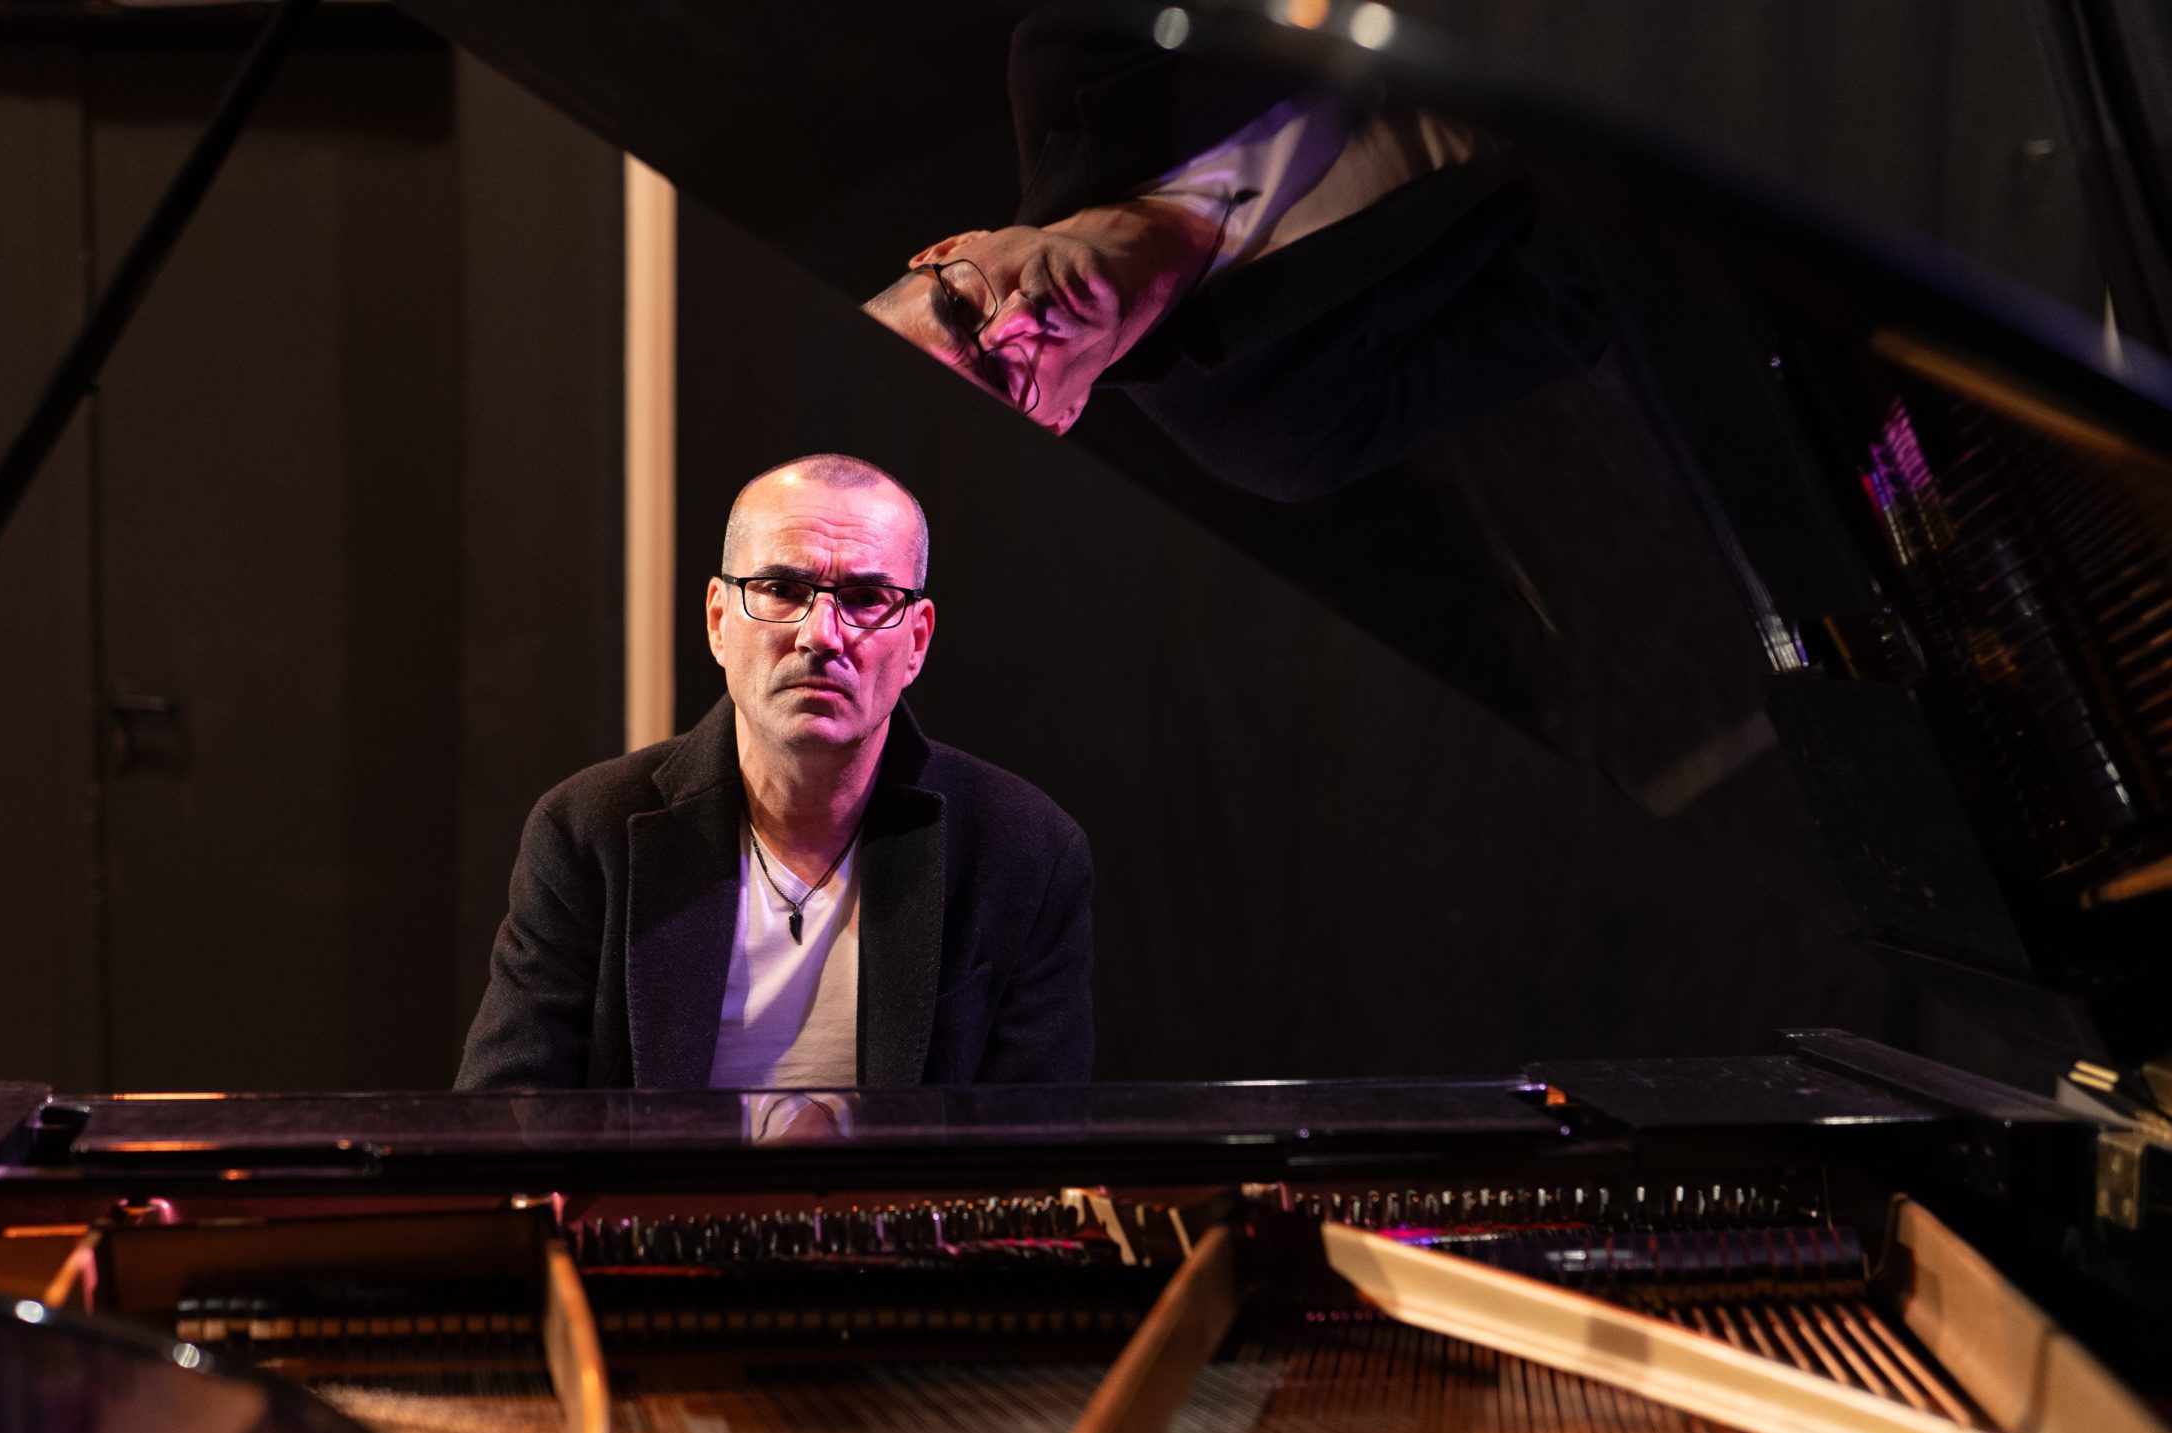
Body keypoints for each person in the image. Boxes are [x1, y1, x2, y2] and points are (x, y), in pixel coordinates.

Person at [455, 454, 1093, 1091]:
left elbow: (1037, 1135)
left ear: (917, 641)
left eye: (866, 599)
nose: (821, 636)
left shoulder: (1024, 851)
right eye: (783, 591)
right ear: (718, 621)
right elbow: (505, 1115)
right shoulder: (587, 832)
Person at [863, 11, 1608, 503]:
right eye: (1001, 379)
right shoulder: (1276, 435)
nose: (1016, 321)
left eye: (959, 307)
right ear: (1059, 419)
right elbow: (1570, 309)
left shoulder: (1076, 51)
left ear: (952, 247)